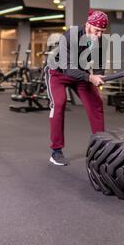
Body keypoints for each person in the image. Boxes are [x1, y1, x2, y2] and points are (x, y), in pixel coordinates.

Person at [45, 9, 109, 166]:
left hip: (80, 74)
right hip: (59, 73)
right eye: (97, 30)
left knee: (96, 103)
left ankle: (100, 147)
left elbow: (99, 63)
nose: (99, 34)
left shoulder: (99, 40)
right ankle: (56, 151)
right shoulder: (71, 36)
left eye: (102, 32)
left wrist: (99, 76)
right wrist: (90, 77)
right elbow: (67, 68)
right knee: (58, 105)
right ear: (88, 25)